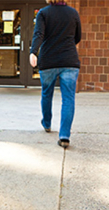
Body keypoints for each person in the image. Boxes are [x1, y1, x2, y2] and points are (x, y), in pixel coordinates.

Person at [29, 0, 81, 149]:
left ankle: (46, 123)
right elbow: (78, 37)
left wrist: (33, 52)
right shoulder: (73, 13)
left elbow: (39, 33)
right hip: (69, 60)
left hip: (48, 60)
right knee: (68, 99)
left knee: (46, 93)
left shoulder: (43, 13)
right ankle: (64, 136)